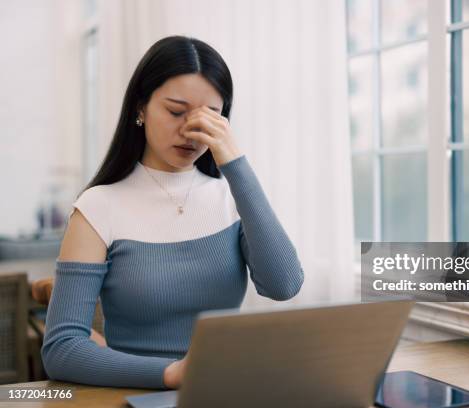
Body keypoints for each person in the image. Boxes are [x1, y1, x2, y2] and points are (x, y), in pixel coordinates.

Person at [41, 36, 304, 390]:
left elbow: (284, 285)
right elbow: (62, 350)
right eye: (176, 112)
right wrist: (170, 374)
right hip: (140, 394)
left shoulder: (232, 196)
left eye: (210, 117)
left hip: (223, 392)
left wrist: (235, 164)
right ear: (140, 108)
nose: (191, 131)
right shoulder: (97, 207)